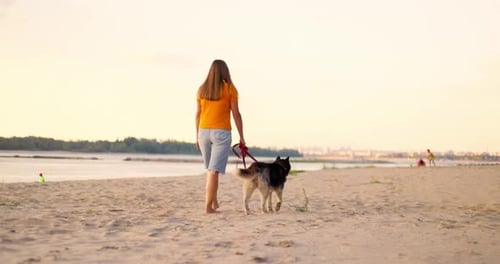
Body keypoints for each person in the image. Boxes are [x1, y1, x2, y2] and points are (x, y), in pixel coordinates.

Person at [195, 59, 246, 213]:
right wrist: (242, 137)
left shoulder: (202, 90)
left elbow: (198, 114)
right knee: (213, 171)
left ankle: (214, 201)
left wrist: (196, 135)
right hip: (221, 132)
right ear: (225, 72)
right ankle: (208, 208)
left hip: (203, 132)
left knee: (211, 170)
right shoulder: (230, 89)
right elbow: (236, 114)